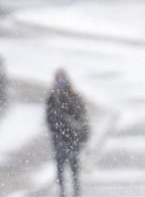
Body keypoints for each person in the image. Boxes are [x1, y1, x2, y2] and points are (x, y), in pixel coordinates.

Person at [46, 69, 89, 197]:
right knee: (61, 169)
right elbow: (50, 119)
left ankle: (75, 192)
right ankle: (63, 192)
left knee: (73, 168)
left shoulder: (74, 97)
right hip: (61, 139)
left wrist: (82, 135)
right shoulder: (53, 99)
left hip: (72, 138)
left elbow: (82, 117)